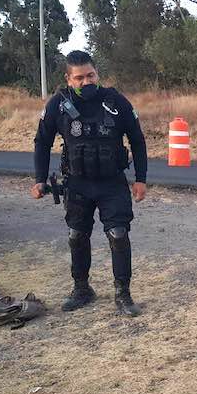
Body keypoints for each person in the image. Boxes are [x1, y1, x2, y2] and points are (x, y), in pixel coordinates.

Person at [30, 50, 148, 317]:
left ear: (97, 73)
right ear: (68, 79)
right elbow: (42, 142)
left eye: (91, 75)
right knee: (77, 236)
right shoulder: (57, 106)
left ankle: (123, 294)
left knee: (118, 235)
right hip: (77, 184)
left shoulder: (116, 101)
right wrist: (39, 179)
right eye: (79, 78)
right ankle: (82, 289)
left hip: (112, 184)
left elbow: (138, 140)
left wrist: (141, 179)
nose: (86, 82)